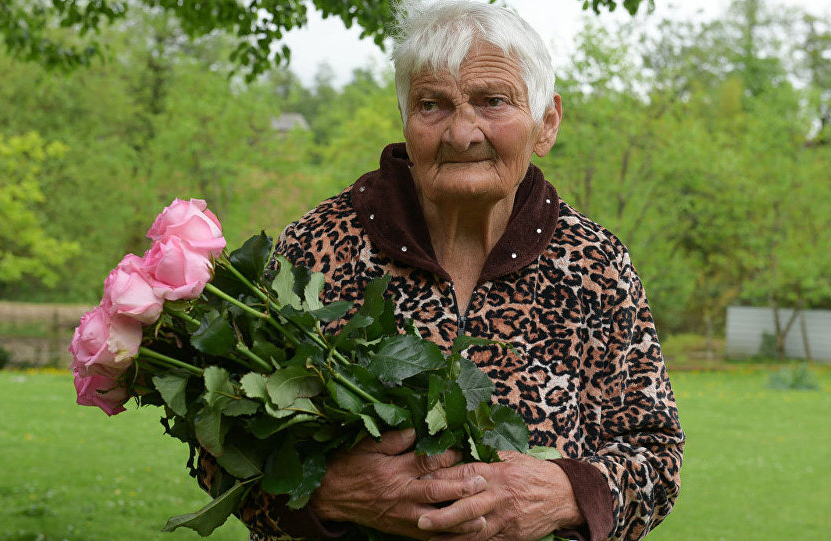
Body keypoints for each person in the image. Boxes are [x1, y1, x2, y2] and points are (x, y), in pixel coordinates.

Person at [197, 1, 684, 539]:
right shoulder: (315, 247)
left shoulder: (595, 264)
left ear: (546, 123)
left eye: (492, 102)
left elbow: (656, 455)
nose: (462, 133)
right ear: (406, 123)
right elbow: (220, 445)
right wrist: (328, 492)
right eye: (433, 105)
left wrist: (566, 494)